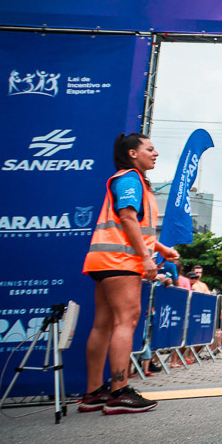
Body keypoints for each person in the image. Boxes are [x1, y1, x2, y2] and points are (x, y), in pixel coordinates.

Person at [80, 133, 180, 414]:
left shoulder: (133, 181)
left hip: (105, 260)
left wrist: (160, 247)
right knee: (127, 319)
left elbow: (131, 222)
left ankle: (92, 393)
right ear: (133, 154)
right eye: (150, 148)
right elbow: (126, 218)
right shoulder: (130, 179)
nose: (156, 153)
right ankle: (119, 392)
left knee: (104, 323)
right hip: (120, 260)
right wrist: (147, 257)